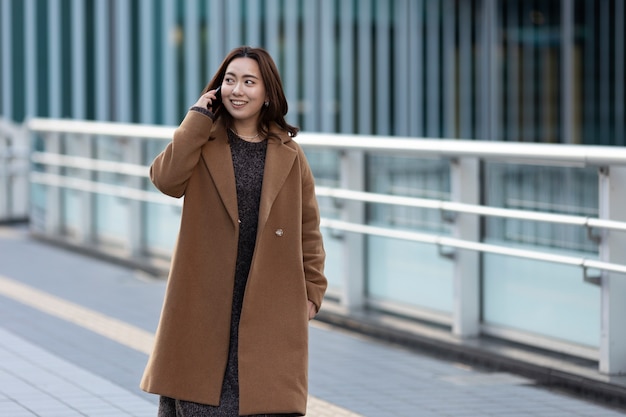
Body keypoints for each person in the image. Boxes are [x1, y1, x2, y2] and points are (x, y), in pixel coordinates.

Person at [140, 46, 328, 416]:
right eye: (229, 80)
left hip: (268, 297)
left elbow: (308, 227)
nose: (237, 90)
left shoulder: (289, 154)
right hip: (206, 296)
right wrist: (195, 118)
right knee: (200, 399)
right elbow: (165, 180)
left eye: (248, 82)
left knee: (262, 401)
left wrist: (313, 290)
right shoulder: (203, 140)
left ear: (267, 93)